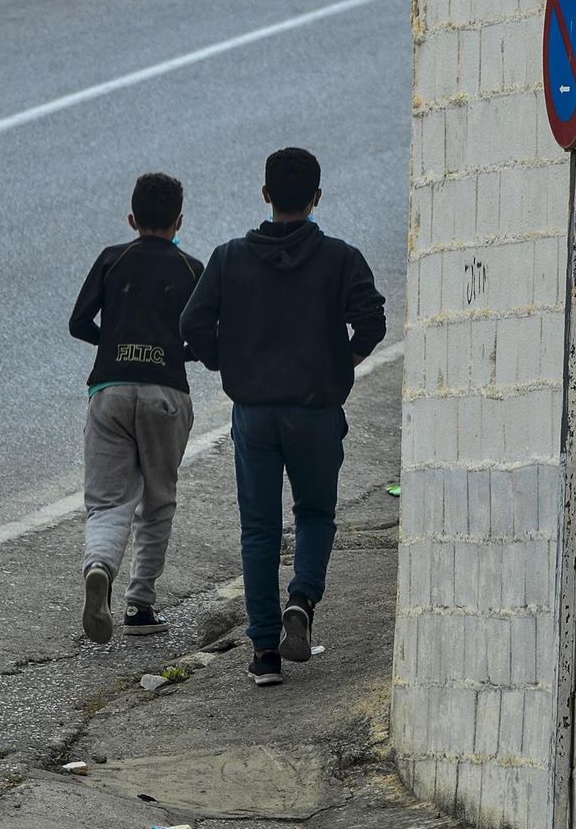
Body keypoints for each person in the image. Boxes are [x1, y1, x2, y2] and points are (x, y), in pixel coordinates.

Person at [180, 148, 385, 686]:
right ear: (317, 198)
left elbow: (193, 322)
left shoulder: (229, 259)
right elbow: (372, 322)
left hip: (254, 415)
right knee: (315, 514)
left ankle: (265, 652)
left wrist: (232, 364)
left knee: (259, 529)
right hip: (316, 412)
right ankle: (302, 598)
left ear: (266, 194)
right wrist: (340, 363)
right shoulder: (341, 259)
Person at [69, 172, 205, 643]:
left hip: (108, 390)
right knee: (157, 500)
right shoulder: (191, 268)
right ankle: (140, 605)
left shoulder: (113, 259)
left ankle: (100, 568)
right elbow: (208, 338)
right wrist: (179, 351)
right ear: (179, 221)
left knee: (108, 500)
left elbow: (78, 322)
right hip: (167, 394)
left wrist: (115, 344)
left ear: (132, 218)